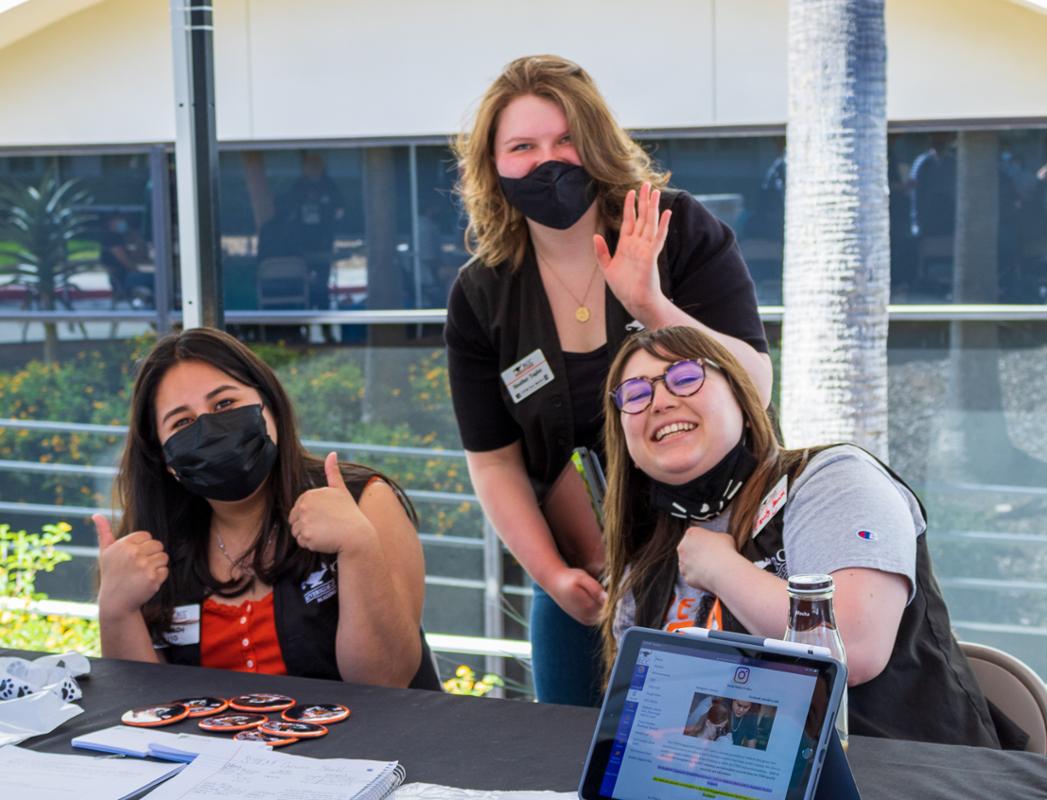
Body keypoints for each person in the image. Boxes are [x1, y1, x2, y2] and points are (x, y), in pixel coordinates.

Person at [445, 55, 770, 706]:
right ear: (493, 165)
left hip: (721, 555)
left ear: (594, 139)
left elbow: (753, 382)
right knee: (569, 751)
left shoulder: (674, 232)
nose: (548, 161)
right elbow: (494, 462)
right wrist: (552, 573)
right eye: (522, 146)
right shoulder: (482, 293)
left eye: (564, 139)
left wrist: (651, 304)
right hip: (581, 575)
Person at [599, 325, 1026, 748]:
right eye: (635, 395)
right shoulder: (645, 562)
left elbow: (853, 649)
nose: (660, 400)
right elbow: (647, 728)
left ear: (744, 400)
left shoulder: (829, 479)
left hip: (908, 771)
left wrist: (720, 568)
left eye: (686, 377)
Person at [92, 327, 439, 689]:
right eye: (182, 422)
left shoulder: (363, 501)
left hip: (364, 745)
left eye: (225, 404)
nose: (209, 429)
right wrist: (116, 609)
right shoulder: (157, 549)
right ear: (166, 460)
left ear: (269, 406)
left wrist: (359, 546)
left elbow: (386, 680)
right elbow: (144, 710)